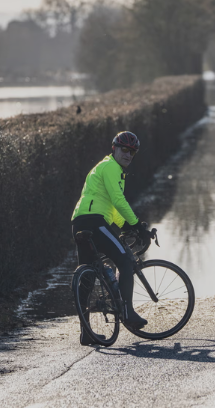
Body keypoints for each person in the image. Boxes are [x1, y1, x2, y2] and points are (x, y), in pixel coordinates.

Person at [71, 131, 153, 345]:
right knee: (126, 260)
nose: (128, 154)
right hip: (94, 222)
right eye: (124, 149)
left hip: (81, 221)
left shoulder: (106, 168)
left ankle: (86, 332)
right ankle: (128, 313)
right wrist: (136, 224)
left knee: (86, 276)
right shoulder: (111, 168)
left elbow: (110, 206)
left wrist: (126, 225)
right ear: (114, 148)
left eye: (132, 152)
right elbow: (118, 199)